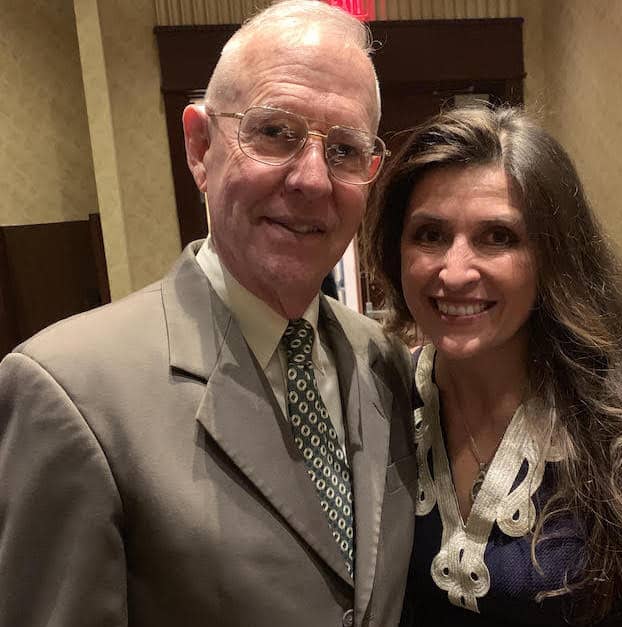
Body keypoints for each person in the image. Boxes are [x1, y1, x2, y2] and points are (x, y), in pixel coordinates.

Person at [0, 2, 416, 625]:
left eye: (345, 150)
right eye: (274, 132)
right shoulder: (68, 393)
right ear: (200, 146)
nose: (310, 179)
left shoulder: (384, 360)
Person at [364, 105, 622, 626]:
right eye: (430, 235)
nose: (455, 272)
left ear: (553, 256)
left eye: (498, 237)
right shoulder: (378, 401)